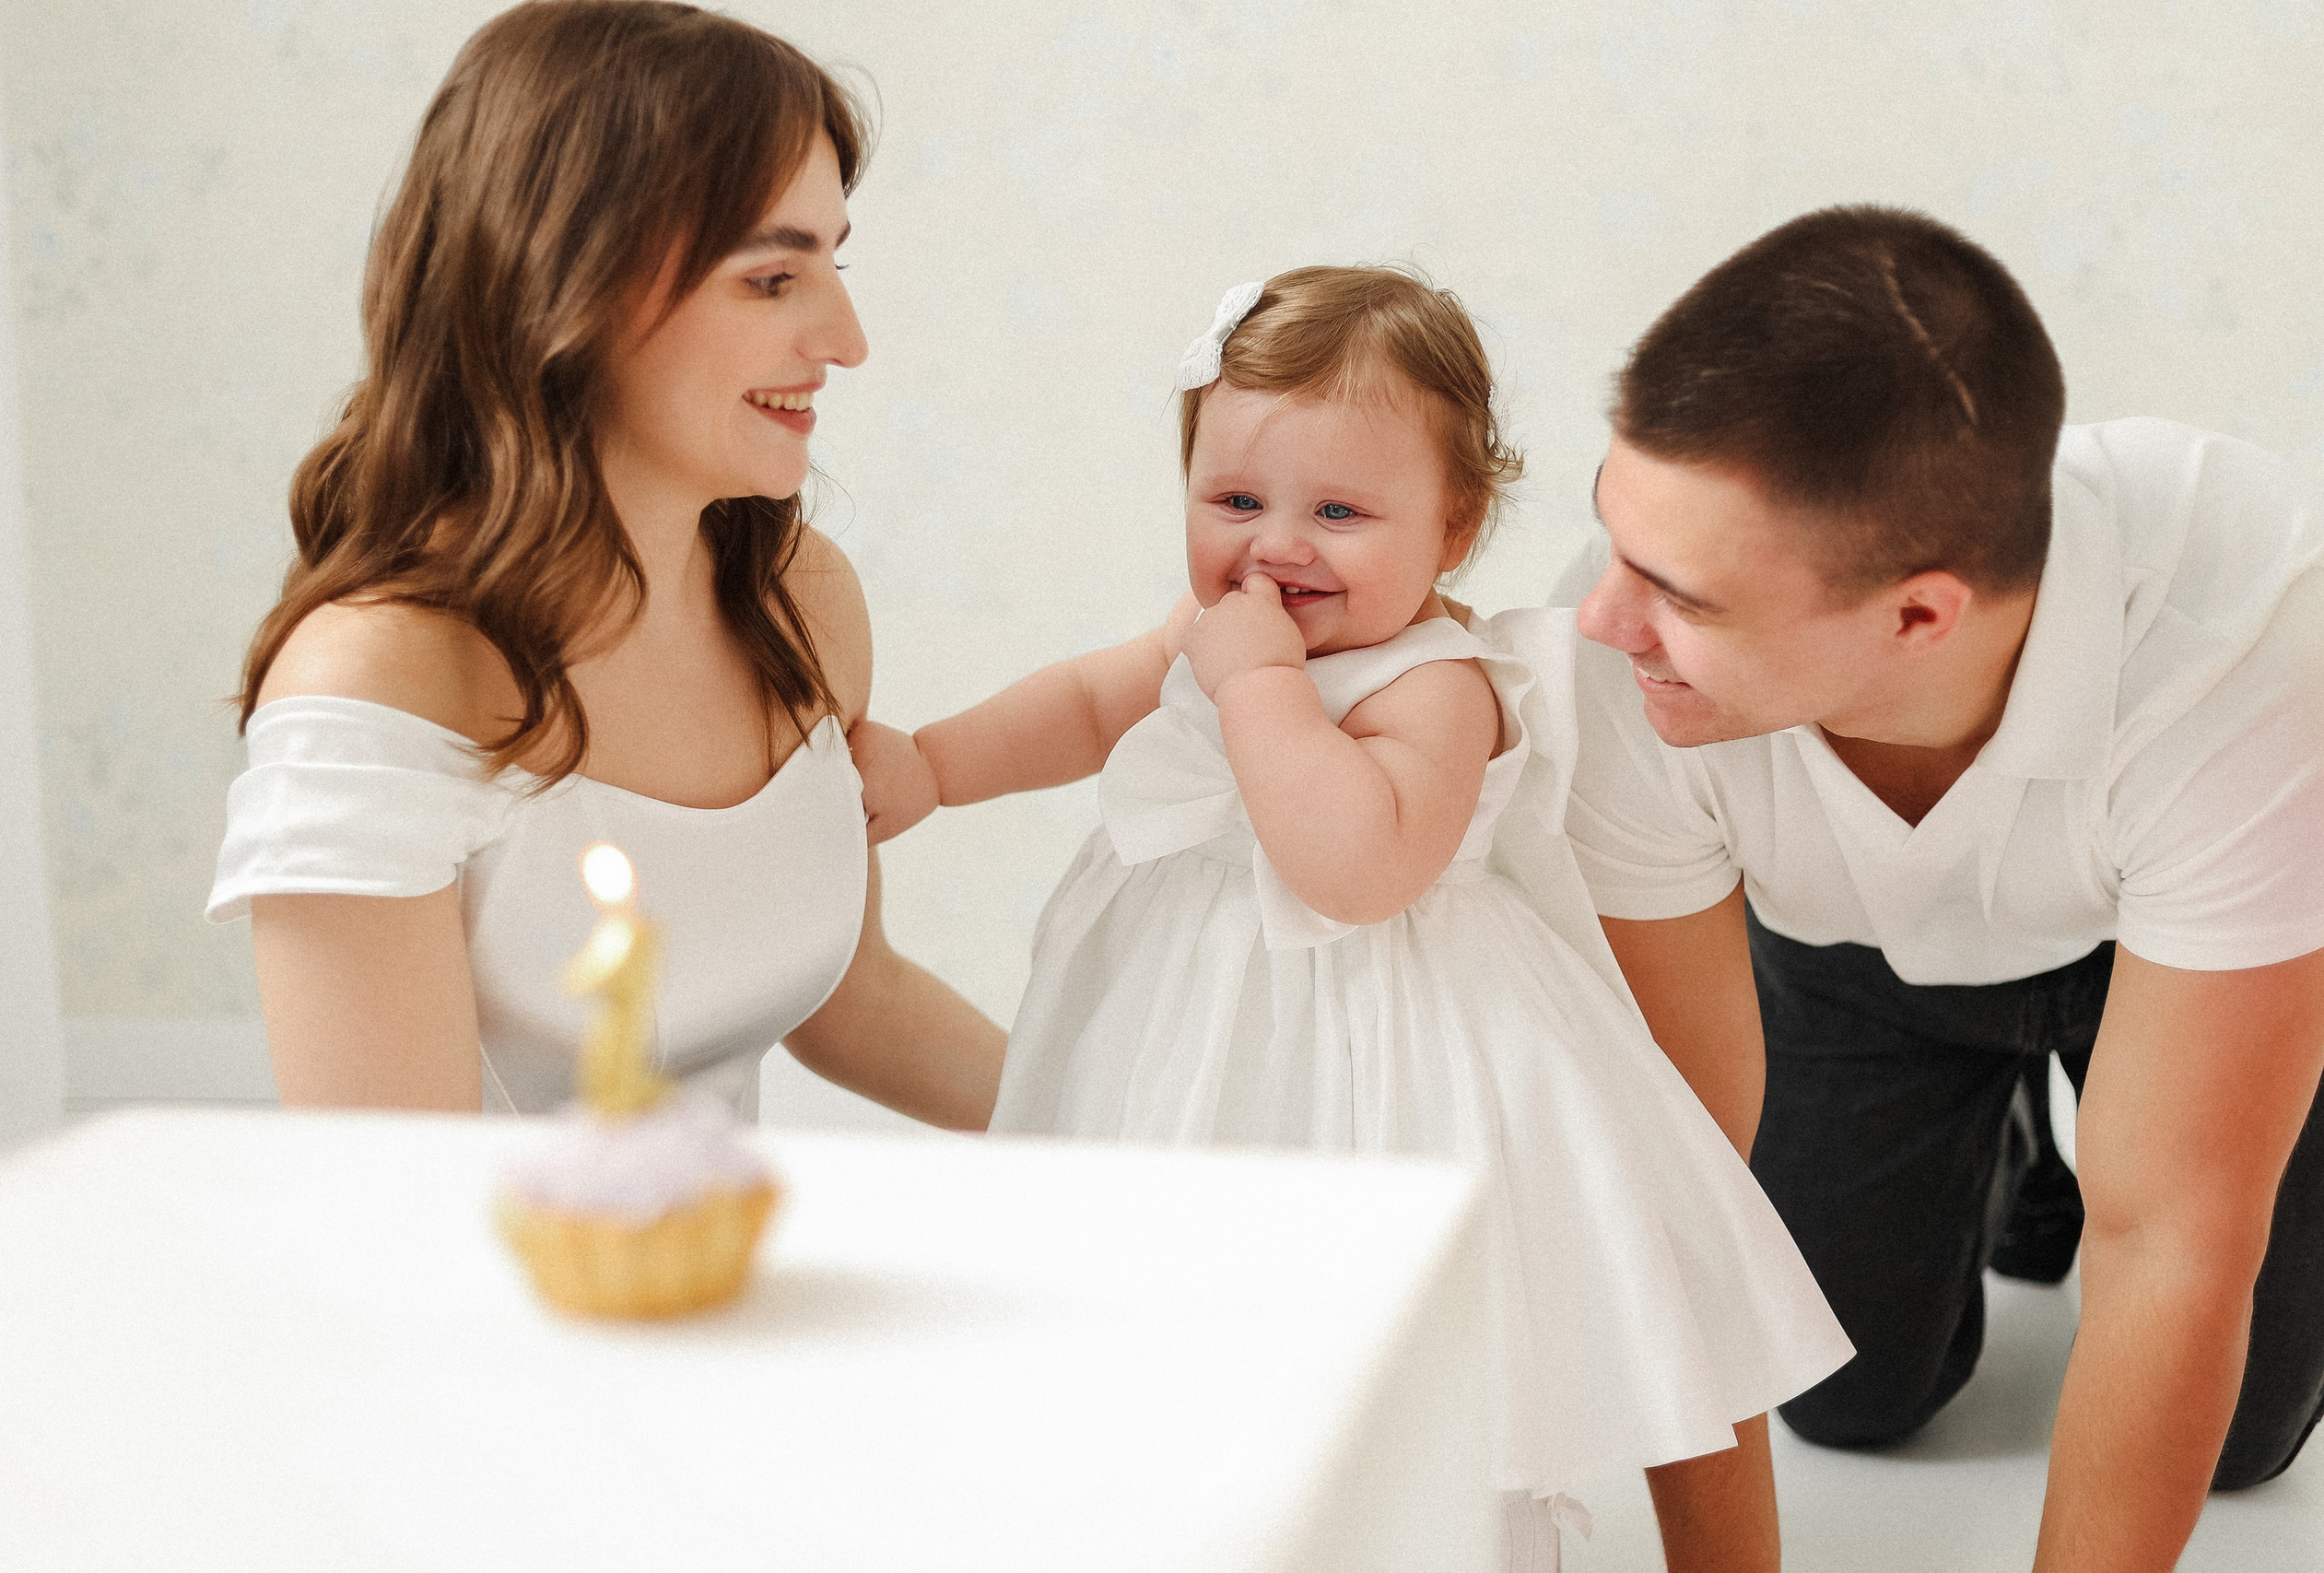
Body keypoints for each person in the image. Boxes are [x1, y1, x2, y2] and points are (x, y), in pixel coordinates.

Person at [853, 266, 1854, 1573]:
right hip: (1192, 1019)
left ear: (1455, 525)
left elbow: (1356, 868)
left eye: (1338, 508)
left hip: (1385, 1055)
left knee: (1386, 1344)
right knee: (1185, 1297)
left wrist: (1261, 689)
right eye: (1235, 500)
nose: (1277, 544)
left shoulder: (1439, 683)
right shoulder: (1220, 626)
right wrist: (935, 764)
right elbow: (1092, 701)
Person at [1556, 205, 2324, 1567]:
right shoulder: (1620, 659)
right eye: (1616, 542)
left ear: (1920, 615)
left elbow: (2173, 1236)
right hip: (1849, 952)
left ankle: (2073, 1120)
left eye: (1682, 592)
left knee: (2245, 1440)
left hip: (2157, 961)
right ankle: (2007, 1152)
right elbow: (1685, 1186)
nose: (1601, 617)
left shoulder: (2256, 622)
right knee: (1848, 1401)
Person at [205, 0, 1003, 1125]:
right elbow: (385, 1206)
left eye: (832, 262)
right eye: (773, 279)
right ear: (566, 287)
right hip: (517, 1291)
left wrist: (1172, 1150)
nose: (845, 339)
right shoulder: (376, 680)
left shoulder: (801, 603)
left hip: (716, 1271)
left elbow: (855, 1000)